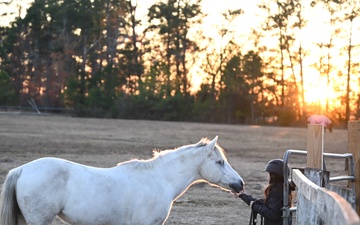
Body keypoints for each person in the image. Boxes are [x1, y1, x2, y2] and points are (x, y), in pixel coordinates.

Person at [238, 159, 292, 225]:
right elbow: (268, 205)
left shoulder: (277, 191)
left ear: (273, 176)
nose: (267, 176)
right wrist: (243, 195)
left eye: (269, 174)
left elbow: (272, 214)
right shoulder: (283, 189)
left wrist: (253, 205)